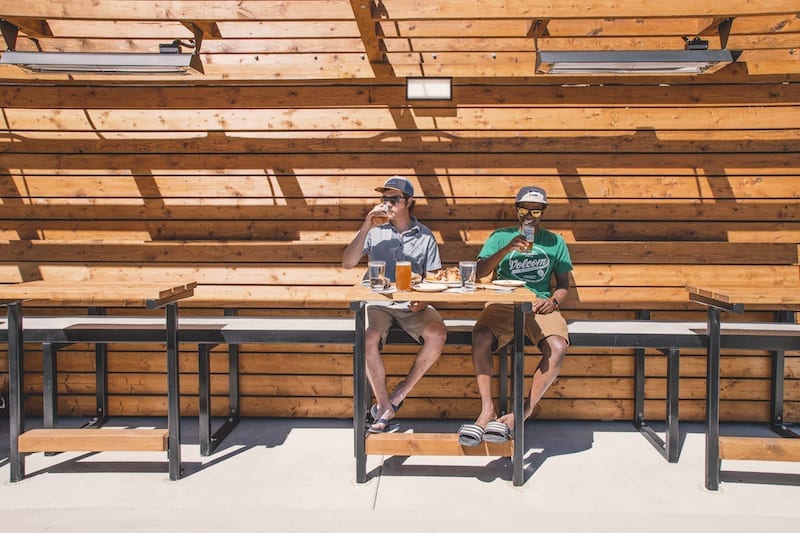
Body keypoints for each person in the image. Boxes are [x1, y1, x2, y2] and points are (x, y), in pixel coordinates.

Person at [458, 186, 573, 446]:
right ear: (516, 209)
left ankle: (523, 412)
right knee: (480, 336)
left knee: (557, 347)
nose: (529, 216)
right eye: (524, 210)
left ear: (543, 211)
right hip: (503, 301)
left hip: (538, 304)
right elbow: (479, 272)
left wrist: (553, 301)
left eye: (536, 210)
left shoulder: (555, 242)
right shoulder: (501, 236)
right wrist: (507, 248)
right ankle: (487, 411)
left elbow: (563, 285)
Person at [342, 176, 447, 433]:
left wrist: (423, 299)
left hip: (411, 304)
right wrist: (366, 224)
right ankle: (383, 405)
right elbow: (347, 262)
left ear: (409, 202)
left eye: (394, 199)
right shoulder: (375, 231)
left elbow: (434, 277)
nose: (388, 203)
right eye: (384, 198)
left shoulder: (425, 235)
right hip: (378, 303)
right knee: (366, 338)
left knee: (438, 334)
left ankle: (400, 394)